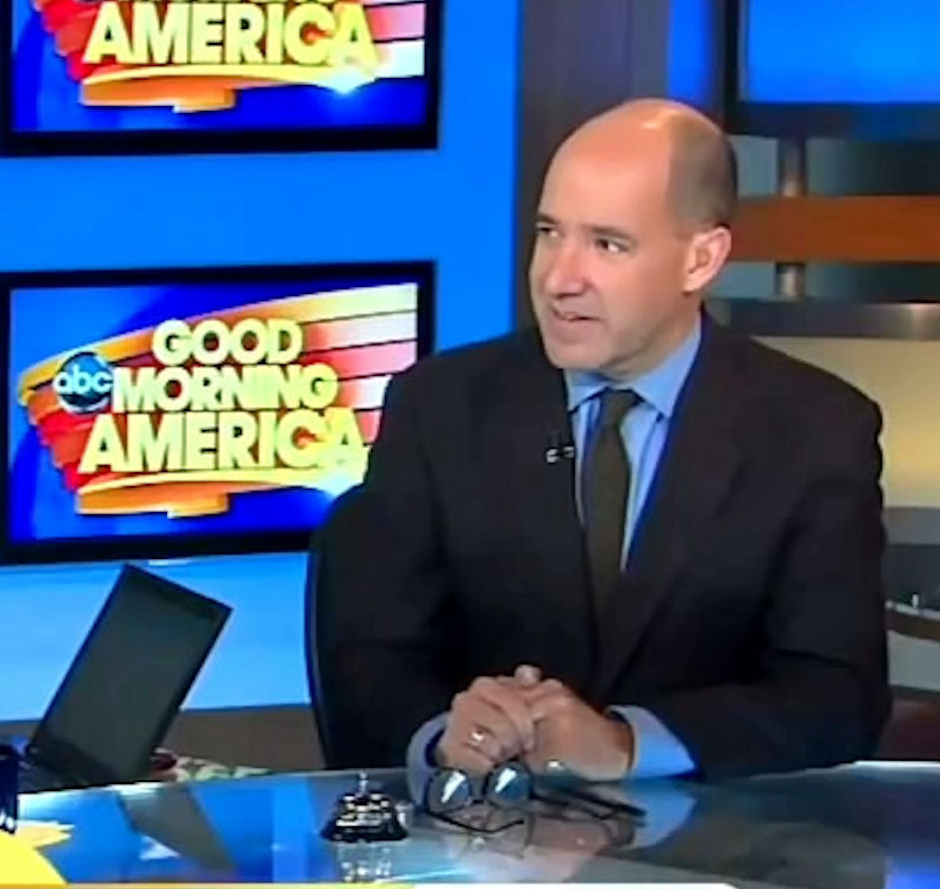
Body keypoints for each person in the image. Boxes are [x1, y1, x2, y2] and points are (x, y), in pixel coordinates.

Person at [314, 98, 888, 782]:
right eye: (549, 233)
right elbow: (369, 661)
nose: (559, 279)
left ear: (701, 259)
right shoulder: (440, 407)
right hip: (485, 829)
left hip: (717, 836)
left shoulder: (814, 430)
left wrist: (626, 743)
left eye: (607, 244)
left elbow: (836, 696)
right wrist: (445, 734)